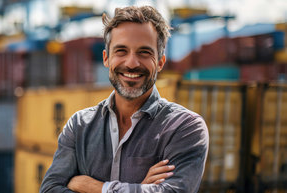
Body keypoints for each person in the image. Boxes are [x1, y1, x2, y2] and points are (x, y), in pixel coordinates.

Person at [40, 5, 209, 193]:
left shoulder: (184, 127)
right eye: (121, 51)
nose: (131, 63)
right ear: (106, 58)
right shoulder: (80, 126)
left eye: (144, 52)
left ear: (160, 62)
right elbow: (49, 189)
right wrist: (140, 188)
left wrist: (96, 188)